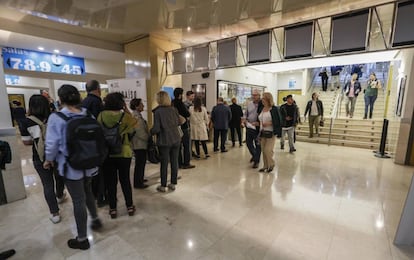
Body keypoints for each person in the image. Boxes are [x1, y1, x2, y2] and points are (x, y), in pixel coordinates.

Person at [44, 85, 102, 250]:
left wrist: (49, 160)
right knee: (88, 192)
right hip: (89, 163)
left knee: (78, 199)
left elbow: (52, 143)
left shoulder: (57, 117)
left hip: (71, 166)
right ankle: (96, 219)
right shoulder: (87, 114)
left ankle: (82, 238)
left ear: (60, 99)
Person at [20, 94, 65, 224]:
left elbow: (27, 142)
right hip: (57, 154)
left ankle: (55, 213)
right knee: (59, 177)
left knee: (47, 184)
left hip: (39, 157)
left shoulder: (25, 121)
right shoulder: (54, 117)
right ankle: (60, 195)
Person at [98, 92, 138, 219]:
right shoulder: (125, 116)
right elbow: (134, 125)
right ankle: (130, 207)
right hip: (123, 152)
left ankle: (113, 209)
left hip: (107, 153)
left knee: (110, 182)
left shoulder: (101, 115)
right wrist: (126, 110)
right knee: (125, 180)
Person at [81, 79, 106, 207]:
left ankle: (92, 195)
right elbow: (99, 123)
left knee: (91, 171)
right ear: (98, 89)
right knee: (100, 172)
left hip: (85, 142)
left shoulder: (83, 102)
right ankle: (100, 197)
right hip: (96, 141)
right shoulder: (97, 102)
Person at [150, 91, 182, 192]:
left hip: (164, 140)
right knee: (174, 161)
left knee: (164, 163)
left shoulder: (158, 112)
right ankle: (173, 183)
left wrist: (149, 132)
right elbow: (178, 122)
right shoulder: (174, 109)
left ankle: (163, 185)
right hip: (176, 138)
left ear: (159, 99)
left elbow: (156, 128)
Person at [258, 92, 282, 173]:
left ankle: (271, 164)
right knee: (263, 150)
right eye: (262, 98)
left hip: (271, 132)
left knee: (268, 150)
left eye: (264, 98)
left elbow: (279, 121)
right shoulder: (262, 108)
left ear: (268, 99)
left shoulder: (274, 109)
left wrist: (269, 123)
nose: (262, 100)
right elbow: (260, 119)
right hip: (262, 132)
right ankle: (265, 166)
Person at [172, 88, 195, 169]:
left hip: (175, 127)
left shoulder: (172, 103)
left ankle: (179, 163)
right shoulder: (180, 103)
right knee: (186, 145)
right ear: (179, 95)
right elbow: (187, 114)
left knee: (178, 146)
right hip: (183, 126)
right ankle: (186, 163)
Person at [130, 98, 149, 189]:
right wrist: (148, 138)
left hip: (140, 143)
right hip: (139, 144)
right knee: (140, 163)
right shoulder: (136, 117)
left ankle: (140, 179)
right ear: (136, 106)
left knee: (141, 162)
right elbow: (140, 132)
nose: (143, 106)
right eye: (141, 104)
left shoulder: (137, 116)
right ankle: (138, 182)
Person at [244, 89, 263, 168]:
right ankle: (255, 155)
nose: (253, 96)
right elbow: (245, 114)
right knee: (248, 143)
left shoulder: (262, 104)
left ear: (259, 96)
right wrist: (244, 120)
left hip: (258, 127)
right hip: (249, 126)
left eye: (255, 95)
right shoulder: (249, 104)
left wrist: (259, 123)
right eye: (253, 95)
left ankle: (256, 161)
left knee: (258, 144)